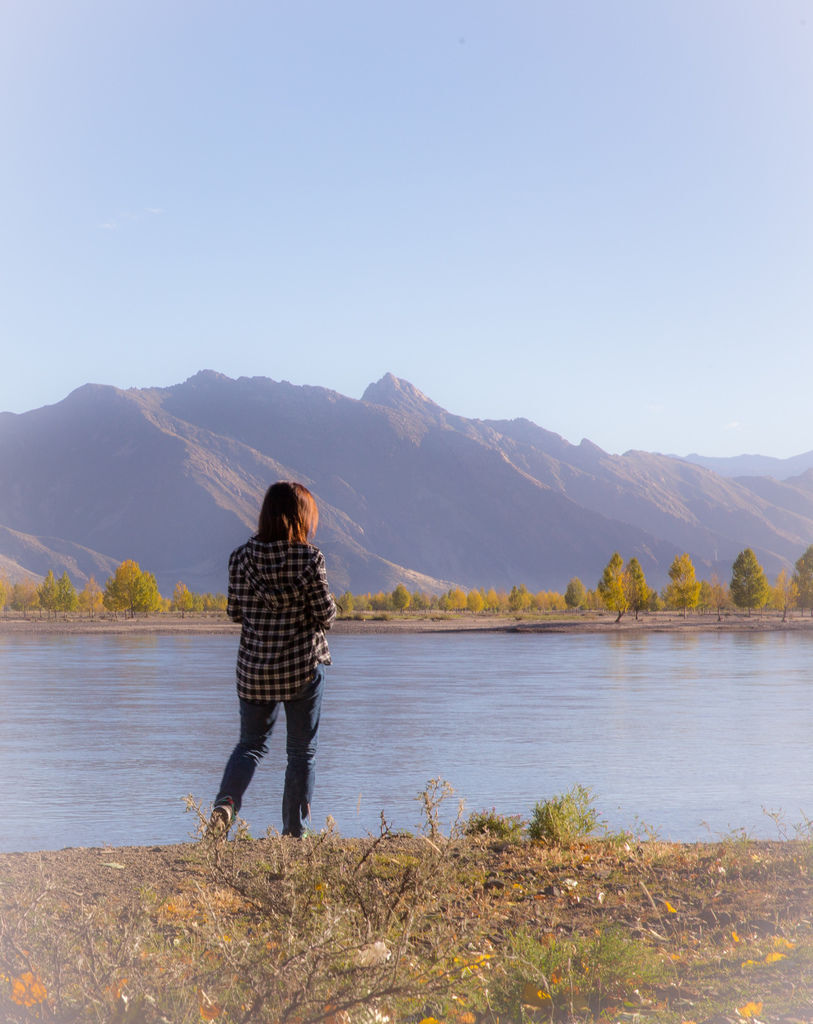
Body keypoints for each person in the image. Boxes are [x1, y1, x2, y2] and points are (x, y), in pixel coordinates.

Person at [209, 481, 336, 838]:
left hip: (254, 669)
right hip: (301, 669)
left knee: (250, 746)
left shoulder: (239, 558)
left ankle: (225, 806)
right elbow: (326, 615)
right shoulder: (311, 559)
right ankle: (295, 833)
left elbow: (235, 612)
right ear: (301, 517)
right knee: (301, 754)